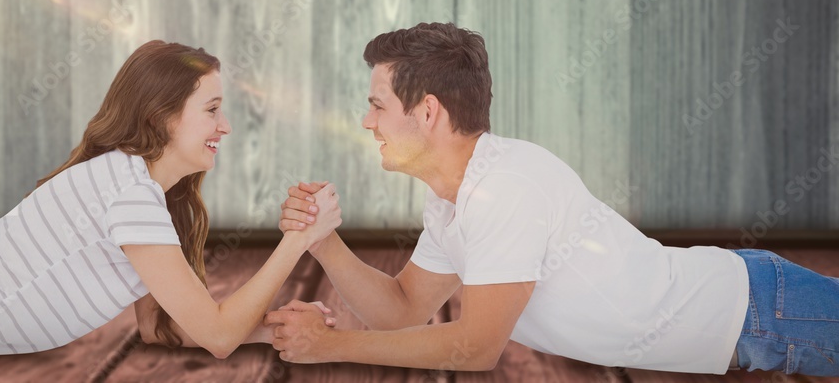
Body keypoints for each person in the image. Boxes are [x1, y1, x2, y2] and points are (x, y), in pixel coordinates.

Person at [269, 22, 839, 376]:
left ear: (427, 111)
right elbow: (401, 310)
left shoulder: (505, 189)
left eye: (378, 104)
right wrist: (323, 243)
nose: (367, 121)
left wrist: (333, 346)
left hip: (761, 310)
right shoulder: (452, 199)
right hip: (750, 316)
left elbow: (474, 348)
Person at [0, 40, 341, 358]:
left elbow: (163, 328)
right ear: (164, 116)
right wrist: (297, 241)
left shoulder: (142, 198)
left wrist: (284, 325)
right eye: (211, 110)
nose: (225, 126)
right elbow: (217, 335)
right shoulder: (130, 196)